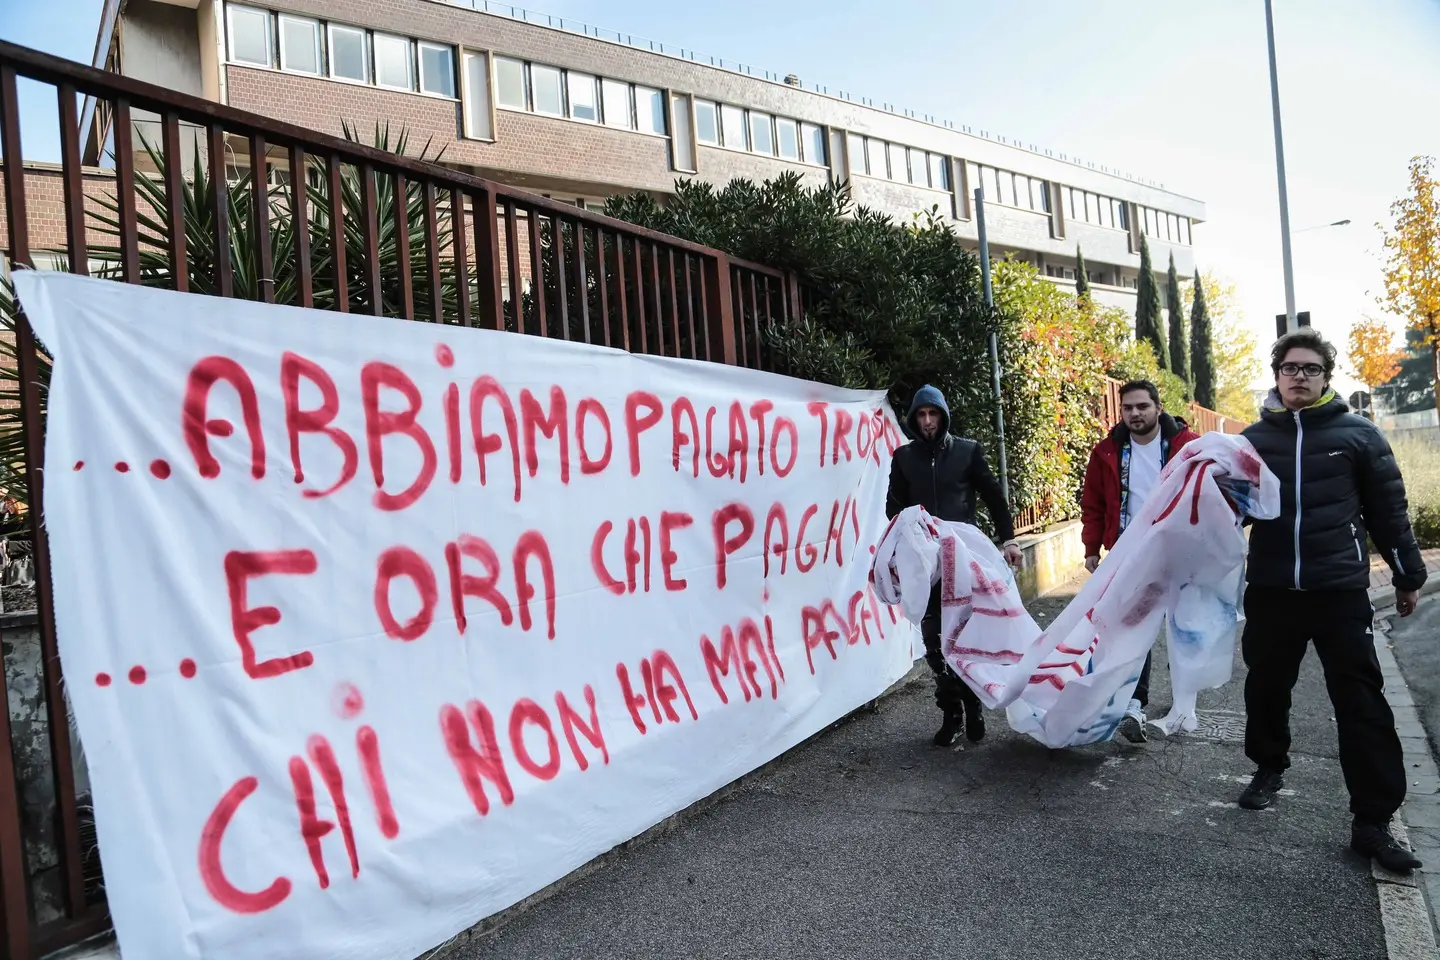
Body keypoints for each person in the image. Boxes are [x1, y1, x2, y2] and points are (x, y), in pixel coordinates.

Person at [1238, 328, 1425, 873]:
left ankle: (1372, 822)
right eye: (1290, 367)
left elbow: (1389, 513)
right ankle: (1268, 767)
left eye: (1311, 368)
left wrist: (1408, 574)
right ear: (1277, 375)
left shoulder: (1359, 436)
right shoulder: (1252, 441)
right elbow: (1228, 514)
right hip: (1272, 590)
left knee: (1362, 704)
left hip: (1339, 591)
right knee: (1266, 687)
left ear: (1326, 377)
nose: (1299, 376)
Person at [886, 384, 1023, 747]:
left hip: (965, 562)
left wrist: (1007, 539)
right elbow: (893, 508)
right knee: (933, 641)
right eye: (921, 415)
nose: (928, 421)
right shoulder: (903, 458)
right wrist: (914, 531)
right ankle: (952, 712)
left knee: (965, 638)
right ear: (914, 419)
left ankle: (973, 704)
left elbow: (995, 497)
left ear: (943, 416)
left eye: (933, 414)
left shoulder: (967, 452)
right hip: (926, 565)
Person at [1079, 379, 1199, 742]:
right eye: (1128, 407)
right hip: (1130, 552)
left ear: (1158, 407)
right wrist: (1091, 548)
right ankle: (1134, 703)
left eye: (1142, 406)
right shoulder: (1107, 452)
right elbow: (1094, 504)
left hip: (1180, 551)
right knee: (1134, 627)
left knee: (1184, 625)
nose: (1135, 413)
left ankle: (1184, 700)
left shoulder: (1186, 447)